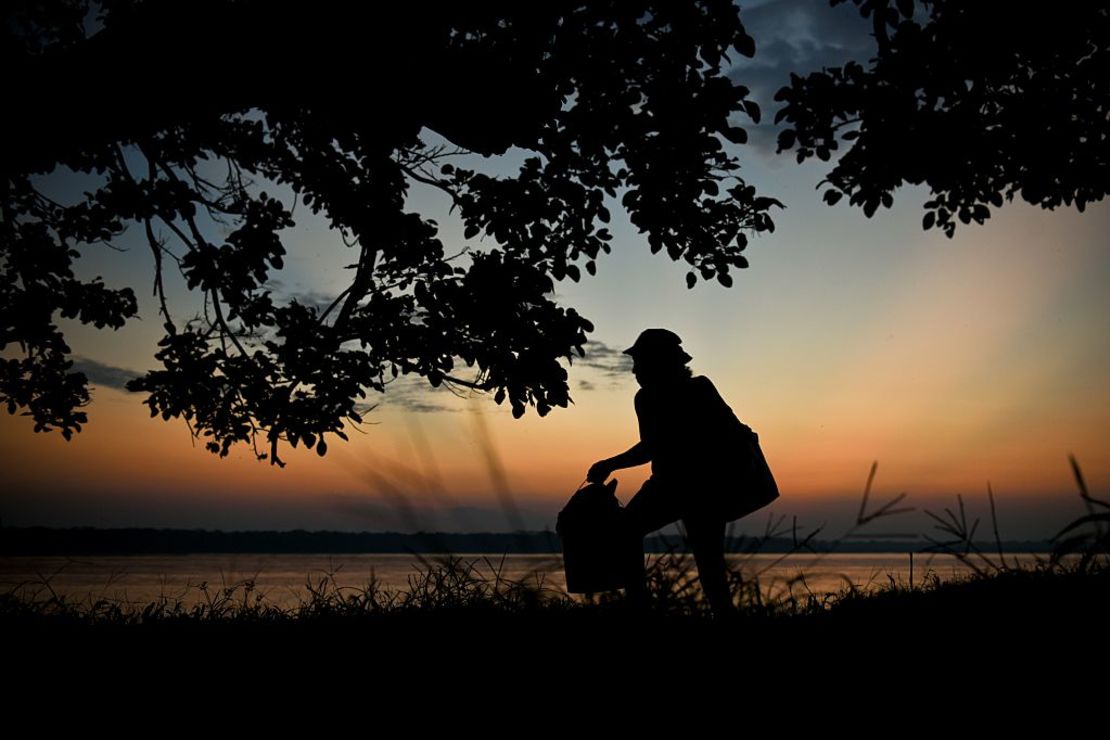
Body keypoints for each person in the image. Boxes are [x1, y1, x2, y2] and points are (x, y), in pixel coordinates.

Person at [587, 328, 750, 618]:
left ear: (660, 363)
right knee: (703, 559)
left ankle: (644, 608)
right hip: (678, 486)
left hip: (697, 488)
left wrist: (609, 464)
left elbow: (652, 446)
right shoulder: (648, 398)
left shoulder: (695, 390)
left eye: (641, 362)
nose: (635, 370)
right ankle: (643, 607)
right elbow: (653, 446)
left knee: (704, 560)